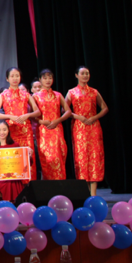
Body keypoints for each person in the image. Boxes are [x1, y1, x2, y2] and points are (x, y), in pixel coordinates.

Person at [0, 67, 41, 180]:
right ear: (7, 79)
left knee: (28, 159)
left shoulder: (26, 94)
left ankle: (30, 186)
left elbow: (37, 112)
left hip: (26, 131)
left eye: (17, 76)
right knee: (13, 160)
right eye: (12, 76)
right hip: (11, 131)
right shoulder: (3, 95)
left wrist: (27, 115)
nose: (15, 78)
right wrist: (9, 116)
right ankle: (14, 187)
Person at [66, 66, 109, 196]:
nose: (85, 75)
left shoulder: (94, 92)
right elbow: (65, 110)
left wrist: (94, 117)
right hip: (79, 128)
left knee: (95, 157)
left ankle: (93, 194)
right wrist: (78, 117)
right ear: (76, 75)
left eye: (87, 73)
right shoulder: (71, 92)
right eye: (82, 73)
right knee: (82, 158)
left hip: (93, 127)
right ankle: (84, 192)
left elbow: (105, 108)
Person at [33, 69, 71, 181]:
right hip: (43, 131)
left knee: (59, 156)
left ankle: (61, 185)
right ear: (40, 80)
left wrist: (58, 120)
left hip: (57, 129)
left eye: (50, 78)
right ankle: (49, 187)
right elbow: (31, 115)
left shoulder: (58, 95)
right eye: (45, 78)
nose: (48, 80)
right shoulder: (35, 96)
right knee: (47, 159)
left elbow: (68, 111)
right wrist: (41, 122)